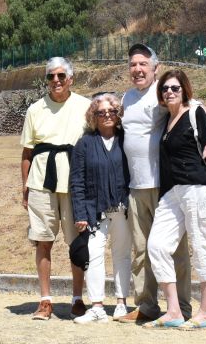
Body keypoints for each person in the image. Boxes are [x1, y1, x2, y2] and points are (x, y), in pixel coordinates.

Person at [116, 44, 206, 326]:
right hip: (138, 186)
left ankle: (186, 308)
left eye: (143, 64)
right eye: (132, 64)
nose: (137, 69)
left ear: (155, 68)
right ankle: (147, 305)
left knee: (180, 251)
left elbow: (199, 108)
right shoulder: (127, 97)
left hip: (167, 184)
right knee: (145, 249)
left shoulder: (164, 90)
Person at [147, 69, 206, 329]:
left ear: (184, 91)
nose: (169, 92)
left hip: (198, 188)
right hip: (171, 193)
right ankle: (173, 311)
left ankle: (204, 312)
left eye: (174, 88)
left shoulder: (196, 113)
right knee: (157, 246)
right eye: (165, 89)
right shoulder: (166, 120)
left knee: (202, 245)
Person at [20, 57, 91, 320]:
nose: (56, 81)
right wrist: (25, 187)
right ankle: (45, 300)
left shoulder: (85, 106)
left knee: (77, 244)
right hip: (41, 184)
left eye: (61, 76)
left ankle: (77, 299)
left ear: (71, 78)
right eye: (51, 76)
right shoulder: (35, 109)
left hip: (75, 185)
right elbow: (27, 152)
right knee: (43, 242)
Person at [69, 93, 132, 323]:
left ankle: (121, 303)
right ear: (93, 116)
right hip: (95, 212)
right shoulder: (84, 144)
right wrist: (80, 213)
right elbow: (76, 181)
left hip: (122, 209)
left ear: (118, 114)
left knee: (122, 256)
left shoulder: (126, 139)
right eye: (101, 112)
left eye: (112, 111)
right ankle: (96, 306)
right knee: (94, 256)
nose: (107, 115)